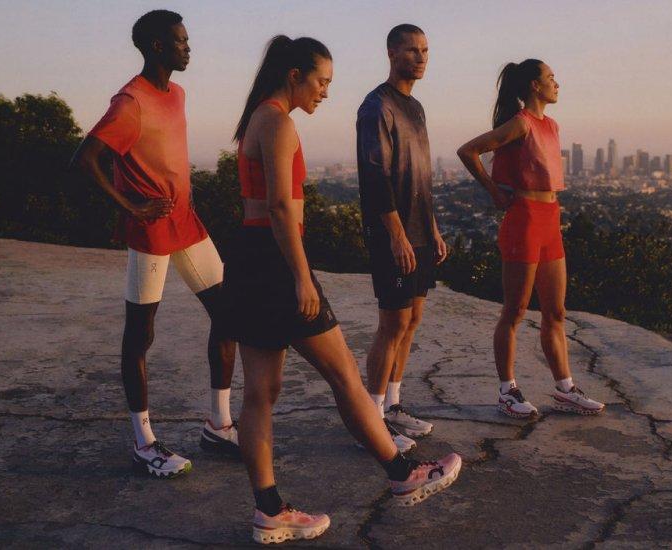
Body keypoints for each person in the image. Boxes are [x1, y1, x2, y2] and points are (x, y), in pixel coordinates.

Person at [228, 35, 461, 544]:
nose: (325, 93)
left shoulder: (256, 121)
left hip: (248, 260)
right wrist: (301, 275)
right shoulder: (280, 122)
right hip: (274, 264)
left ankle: (269, 509)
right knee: (346, 378)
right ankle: (403, 475)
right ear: (295, 76)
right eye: (322, 82)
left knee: (260, 395)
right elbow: (283, 209)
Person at [70, 10, 239, 478]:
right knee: (140, 336)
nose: (189, 47)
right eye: (181, 41)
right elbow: (86, 159)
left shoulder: (178, 93)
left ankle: (219, 424)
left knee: (229, 316)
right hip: (150, 232)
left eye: (188, 39)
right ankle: (144, 442)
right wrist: (130, 206)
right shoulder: (130, 102)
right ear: (157, 46)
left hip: (188, 223)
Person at [457, 59, 605, 418]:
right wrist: (493, 191)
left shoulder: (551, 125)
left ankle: (565, 388)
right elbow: (468, 151)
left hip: (550, 220)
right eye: (551, 77)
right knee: (515, 310)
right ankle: (508, 392)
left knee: (555, 310)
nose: (557, 83)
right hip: (523, 219)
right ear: (534, 87)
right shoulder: (521, 123)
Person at [356, 24, 447, 452]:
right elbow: (377, 179)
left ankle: (392, 406)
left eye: (425, 50)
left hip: (419, 233)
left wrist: (431, 228)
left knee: (412, 321)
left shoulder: (417, 107)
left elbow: (421, 176)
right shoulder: (377, 106)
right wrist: (396, 235)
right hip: (393, 235)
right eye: (412, 50)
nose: (421, 57)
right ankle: (370, 422)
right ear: (392, 52)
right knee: (391, 324)